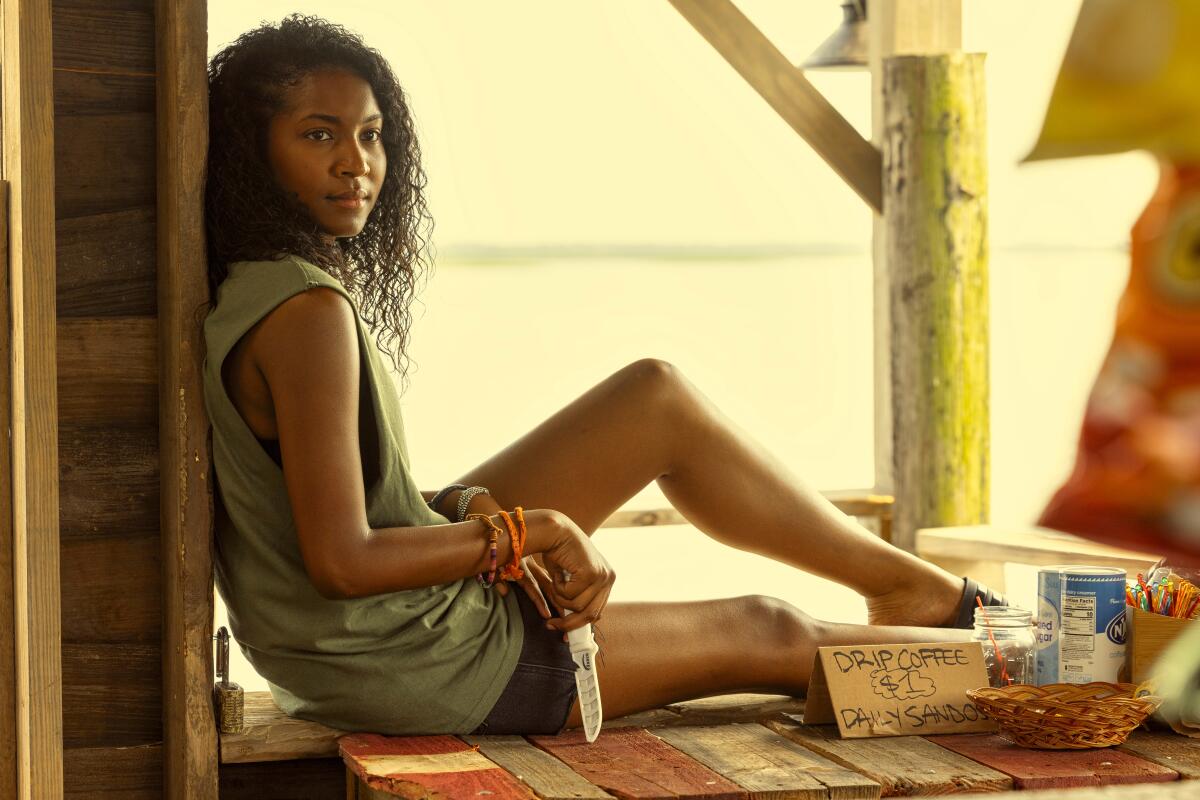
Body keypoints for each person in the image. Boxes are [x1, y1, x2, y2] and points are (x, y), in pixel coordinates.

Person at [202, 14, 1006, 737]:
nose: (356, 164)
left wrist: (475, 510)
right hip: (413, 665)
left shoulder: (262, 285)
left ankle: (920, 597)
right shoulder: (307, 315)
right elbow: (342, 561)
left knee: (655, 397)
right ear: (251, 152)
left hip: (355, 646)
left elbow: (346, 509)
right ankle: (1031, 667)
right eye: (318, 136)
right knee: (771, 630)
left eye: (371, 135)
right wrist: (530, 532)